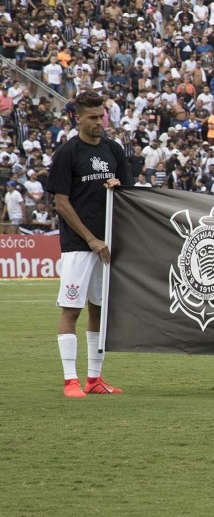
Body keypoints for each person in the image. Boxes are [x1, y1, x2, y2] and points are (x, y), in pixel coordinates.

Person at [46, 91, 133, 398]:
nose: (99, 122)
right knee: (72, 309)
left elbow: (128, 194)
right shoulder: (68, 153)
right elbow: (62, 203)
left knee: (99, 308)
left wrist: (117, 186)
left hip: (107, 244)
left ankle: (94, 379)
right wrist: (91, 239)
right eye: (93, 117)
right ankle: (71, 380)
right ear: (78, 118)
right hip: (79, 245)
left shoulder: (113, 149)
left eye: (102, 116)